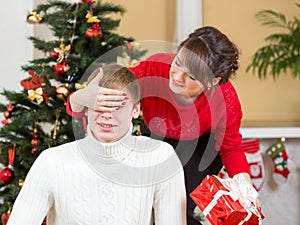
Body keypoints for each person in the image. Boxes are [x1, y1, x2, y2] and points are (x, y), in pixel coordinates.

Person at [67, 26, 256, 224]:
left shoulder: (225, 100)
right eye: (178, 63)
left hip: (201, 147)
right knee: (148, 205)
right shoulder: (153, 69)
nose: (177, 76)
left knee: (178, 206)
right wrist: (79, 99)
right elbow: (99, 100)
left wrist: (244, 187)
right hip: (157, 137)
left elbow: (231, 149)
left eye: (191, 76)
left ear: (212, 80)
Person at [7, 64, 187, 225]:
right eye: (99, 104)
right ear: (86, 107)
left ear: (135, 110)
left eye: (117, 105)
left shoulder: (160, 158)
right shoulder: (51, 162)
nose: (107, 114)